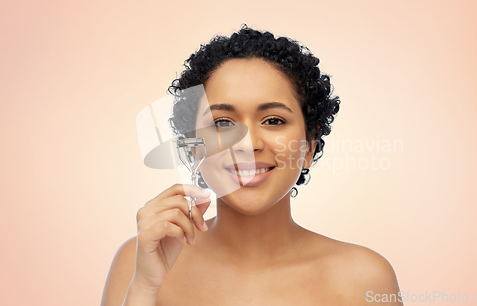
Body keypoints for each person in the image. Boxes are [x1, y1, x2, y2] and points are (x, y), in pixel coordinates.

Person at [101, 26, 402, 306]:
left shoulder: (364, 280)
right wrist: (144, 288)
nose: (247, 144)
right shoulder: (138, 261)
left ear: (309, 146)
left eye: (273, 120)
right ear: (193, 149)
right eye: (222, 123)